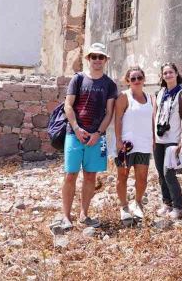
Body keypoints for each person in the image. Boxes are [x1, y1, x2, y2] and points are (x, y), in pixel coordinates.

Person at [60, 43, 118, 230]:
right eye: (94, 57)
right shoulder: (77, 79)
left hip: (96, 137)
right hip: (74, 134)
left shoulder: (109, 84)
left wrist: (98, 133)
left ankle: (84, 214)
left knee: (90, 176)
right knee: (70, 175)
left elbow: (109, 113)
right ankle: (66, 217)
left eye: (101, 57)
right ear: (88, 59)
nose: (97, 60)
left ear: (105, 60)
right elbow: (68, 105)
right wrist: (76, 128)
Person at [113, 66, 153, 222]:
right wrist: (117, 140)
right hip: (126, 144)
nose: (136, 81)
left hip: (144, 143)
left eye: (139, 78)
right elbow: (117, 119)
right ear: (128, 81)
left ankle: (137, 203)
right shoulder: (124, 96)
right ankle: (124, 206)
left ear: (144, 80)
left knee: (142, 178)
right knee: (122, 176)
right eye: (133, 78)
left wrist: (154, 140)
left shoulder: (150, 98)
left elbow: (152, 120)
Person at [153, 62, 182, 219]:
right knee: (161, 173)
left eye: (170, 72)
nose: (168, 75)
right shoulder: (159, 93)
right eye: (165, 73)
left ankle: (178, 206)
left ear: (176, 73)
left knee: (169, 173)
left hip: (173, 138)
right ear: (162, 76)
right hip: (159, 138)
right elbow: (154, 115)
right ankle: (166, 203)